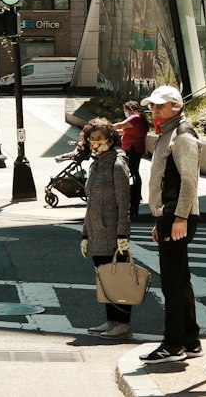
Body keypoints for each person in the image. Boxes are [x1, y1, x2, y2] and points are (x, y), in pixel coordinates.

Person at [141, 84, 202, 364]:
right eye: (152, 106)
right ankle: (190, 340)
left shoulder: (183, 135)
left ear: (176, 106)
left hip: (178, 216)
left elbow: (189, 181)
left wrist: (179, 217)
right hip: (169, 216)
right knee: (180, 280)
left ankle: (173, 345)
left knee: (173, 284)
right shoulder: (167, 134)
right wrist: (159, 218)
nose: (154, 110)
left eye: (160, 106)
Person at [80, 119, 134, 340]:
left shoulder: (117, 165)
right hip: (96, 233)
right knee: (105, 278)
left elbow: (124, 203)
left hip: (112, 232)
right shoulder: (97, 163)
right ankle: (111, 320)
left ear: (110, 140)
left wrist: (123, 234)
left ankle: (123, 323)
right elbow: (91, 202)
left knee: (118, 279)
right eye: (91, 139)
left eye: (99, 139)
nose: (95, 143)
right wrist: (85, 234)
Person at [120, 99, 149, 215]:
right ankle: (136, 194)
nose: (125, 113)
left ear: (128, 109)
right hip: (133, 149)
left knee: (133, 172)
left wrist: (104, 128)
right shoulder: (138, 118)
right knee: (133, 171)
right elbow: (125, 130)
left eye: (125, 111)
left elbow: (120, 125)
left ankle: (135, 195)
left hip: (133, 149)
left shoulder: (134, 117)